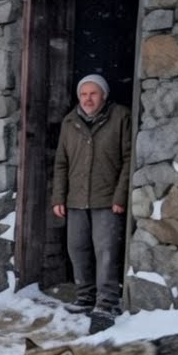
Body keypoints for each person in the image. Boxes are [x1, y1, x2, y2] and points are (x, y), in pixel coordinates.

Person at [51, 73, 132, 335]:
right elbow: (61, 162)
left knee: (106, 251)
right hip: (76, 199)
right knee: (77, 249)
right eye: (83, 94)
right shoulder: (69, 121)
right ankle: (85, 297)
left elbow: (129, 158)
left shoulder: (120, 117)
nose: (87, 98)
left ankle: (106, 302)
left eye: (93, 93)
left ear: (104, 95)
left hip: (107, 198)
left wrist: (120, 196)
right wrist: (58, 197)